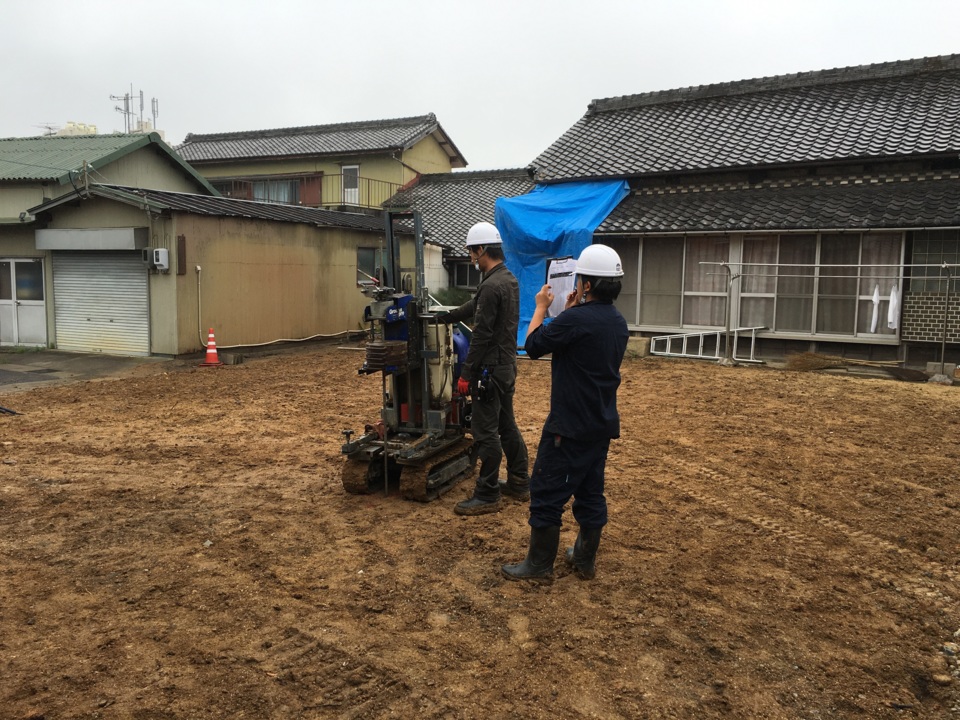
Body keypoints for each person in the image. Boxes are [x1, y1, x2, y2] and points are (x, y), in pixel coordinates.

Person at [501, 244, 628, 581]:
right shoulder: (617, 322)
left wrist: (541, 308)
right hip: (599, 424)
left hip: (567, 427)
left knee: (545, 492)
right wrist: (567, 315)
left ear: (586, 285)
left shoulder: (576, 319)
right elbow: (576, 337)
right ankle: (584, 559)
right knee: (589, 492)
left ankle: (539, 566)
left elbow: (532, 346)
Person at [436, 221, 530, 515]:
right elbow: (473, 307)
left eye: (472, 252)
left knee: (485, 431)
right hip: (506, 367)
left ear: (481, 250)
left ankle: (488, 493)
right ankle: (519, 482)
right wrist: (443, 317)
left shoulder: (491, 285)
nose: (471, 258)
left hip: (489, 370)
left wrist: (466, 374)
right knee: (506, 425)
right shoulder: (506, 279)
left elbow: (482, 334)